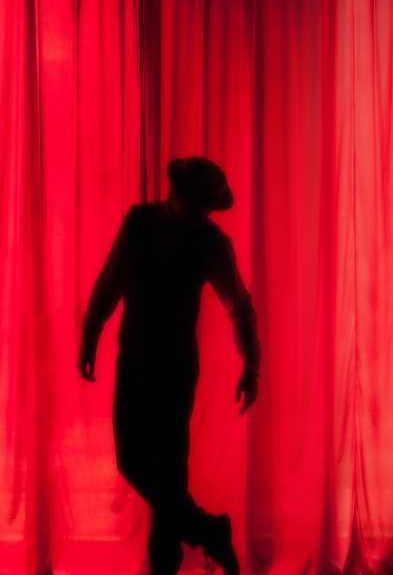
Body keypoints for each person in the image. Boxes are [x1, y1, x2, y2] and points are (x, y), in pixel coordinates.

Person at [78, 157, 260, 575]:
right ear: (178, 194)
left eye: (207, 208)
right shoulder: (140, 222)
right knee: (133, 462)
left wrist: (251, 365)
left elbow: (240, 306)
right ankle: (209, 531)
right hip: (136, 355)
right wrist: (91, 332)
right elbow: (110, 281)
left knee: (168, 469)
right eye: (199, 205)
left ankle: (167, 563)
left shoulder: (209, 241)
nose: (203, 214)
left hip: (176, 365)